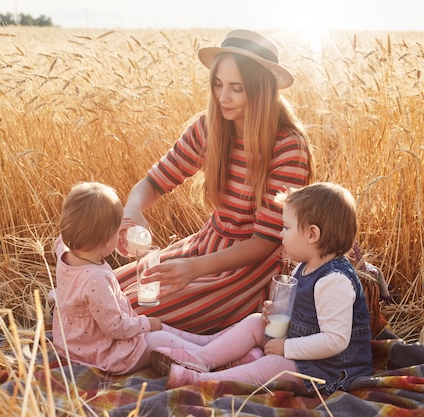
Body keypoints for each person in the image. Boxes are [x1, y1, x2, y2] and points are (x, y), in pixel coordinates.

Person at [114, 29, 314, 334]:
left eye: (237, 88)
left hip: (251, 268)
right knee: (106, 294)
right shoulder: (208, 128)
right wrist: (133, 210)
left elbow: (266, 241)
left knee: (132, 312)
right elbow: (154, 182)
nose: (223, 97)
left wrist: (194, 270)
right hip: (205, 246)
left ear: (260, 89)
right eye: (218, 85)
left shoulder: (287, 147)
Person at [149, 182, 374, 395]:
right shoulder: (305, 266)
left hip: (329, 369)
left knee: (275, 364)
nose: (281, 234)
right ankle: (201, 358)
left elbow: (335, 341)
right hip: (297, 345)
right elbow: (301, 311)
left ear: (312, 234)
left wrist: (286, 347)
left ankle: (203, 382)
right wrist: (276, 311)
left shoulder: (334, 281)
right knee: (256, 321)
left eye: (286, 228)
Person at [51, 182, 261, 374]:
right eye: (116, 232)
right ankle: (218, 358)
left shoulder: (64, 249)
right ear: (107, 241)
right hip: (104, 353)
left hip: (74, 343)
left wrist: (109, 225)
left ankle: (210, 344)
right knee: (159, 337)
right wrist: (146, 323)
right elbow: (115, 327)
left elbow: (65, 234)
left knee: (162, 332)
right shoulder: (96, 279)